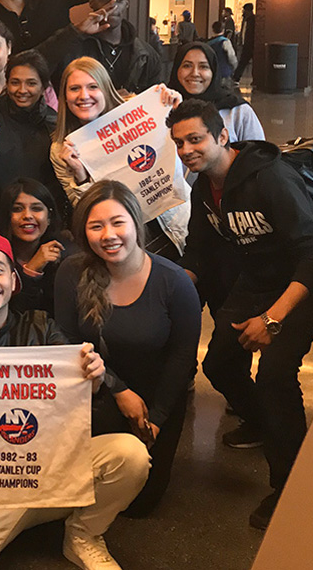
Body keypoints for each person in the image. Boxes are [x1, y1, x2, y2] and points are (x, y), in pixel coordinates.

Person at [0, 228, 149, 570]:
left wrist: (93, 378)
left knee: (131, 455)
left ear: (13, 279)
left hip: (53, 471)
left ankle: (83, 534)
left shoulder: (42, 327)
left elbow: (80, 398)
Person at [168, 98, 313, 529]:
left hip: (308, 279)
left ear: (222, 136)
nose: (187, 150)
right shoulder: (205, 185)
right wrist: (174, 283)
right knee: (219, 363)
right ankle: (265, 423)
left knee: (275, 374)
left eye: (196, 139)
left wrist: (272, 320)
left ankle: (289, 485)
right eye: (179, 143)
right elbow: (199, 249)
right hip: (257, 278)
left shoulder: (269, 178)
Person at [55, 180, 200, 515]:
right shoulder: (70, 272)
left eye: (118, 222)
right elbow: (65, 339)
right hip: (96, 390)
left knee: (140, 504)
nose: (108, 235)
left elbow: (182, 358)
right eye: (96, 226)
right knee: (78, 494)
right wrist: (117, 389)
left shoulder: (174, 282)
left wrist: (159, 418)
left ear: (136, 223)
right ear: (84, 232)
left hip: (157, 396)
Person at [50, 56, 188, 259]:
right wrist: (81, 176)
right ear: (64, 95)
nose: (84, 95)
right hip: (124, 241)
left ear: (105, 89)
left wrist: (175, 109)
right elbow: (85, 212)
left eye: (93, 86)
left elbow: (185, 158)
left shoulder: (140, 111)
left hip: (174, 222)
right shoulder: (60, 149)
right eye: (74, 89)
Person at [0, 50, 67, 228]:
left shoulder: (55, 125)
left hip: (41, 225)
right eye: (15, 83)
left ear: (44, 87)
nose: (22, 90)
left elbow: (58, 186)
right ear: (7, 83)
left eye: (31, 83)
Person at [37, 0, 163, 95]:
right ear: (91, 2)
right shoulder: (72, 48)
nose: (112, 6)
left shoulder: (145, 54)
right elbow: (34, 67)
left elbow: (155, 101)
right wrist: (75, 32)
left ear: (127, 4)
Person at [0, 178, 73, 315]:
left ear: (49, 217)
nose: (27, 216)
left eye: (36, 209)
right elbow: (9, 317)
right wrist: (31, 271)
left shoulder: (67, 256)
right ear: (6, 216)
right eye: (17, 209)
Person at [168, 42, 264, 143]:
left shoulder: (238, 111)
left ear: (213, 72)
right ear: (176, 69)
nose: (195, 73)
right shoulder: (164, 106)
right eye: (187, 66)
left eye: (203, 67)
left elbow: (258, 153)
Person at [206, 22, 238, 91]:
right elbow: (231, 56)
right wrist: (234, 67)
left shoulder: (208, 43)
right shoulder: (225, 42)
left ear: (213, 30)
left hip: (212, 73)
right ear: (223, 30)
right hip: (225, 72)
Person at [232, 3, 255, 85]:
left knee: (244, 61)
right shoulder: (245, 20)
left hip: (250, 44)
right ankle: (236, 77)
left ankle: (236, 77)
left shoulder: (253, 20)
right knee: (243, 61)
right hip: (245, 44)